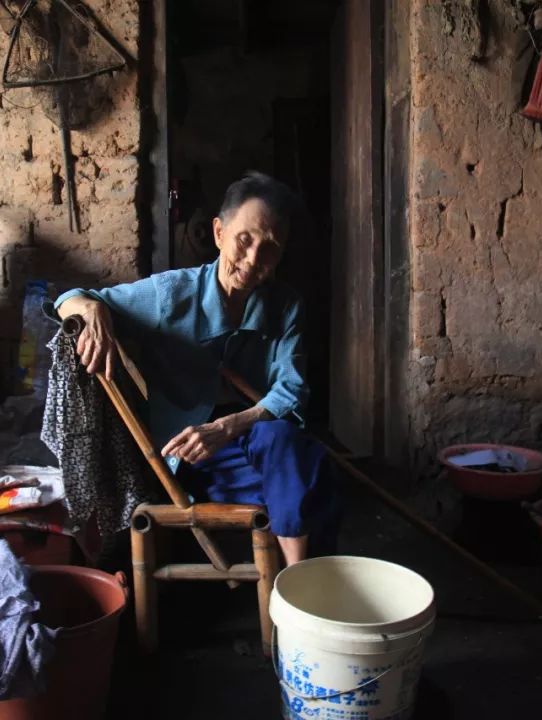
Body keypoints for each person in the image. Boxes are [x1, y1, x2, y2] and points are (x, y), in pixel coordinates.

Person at [54, 172, 337, 566]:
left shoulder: (285, 304)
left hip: (254, 447)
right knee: (309, 475)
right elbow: (70, 299)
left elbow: (292, 388)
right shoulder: (171, 294)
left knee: (295, 450)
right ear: (219, 232)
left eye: (270, 248)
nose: (254, 259)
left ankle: (295, 582)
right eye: (244, 239)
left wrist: (227, 427)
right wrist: (92, 309)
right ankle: (301, 578)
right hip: (185, 458)